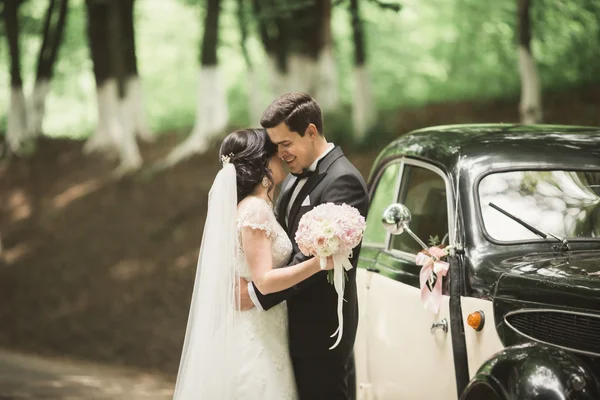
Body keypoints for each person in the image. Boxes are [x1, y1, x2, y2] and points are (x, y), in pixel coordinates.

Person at [173, 128, 334, 399]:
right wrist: (319, 263)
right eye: (275, 153)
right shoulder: (255, 210)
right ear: (263, 164)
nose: (282, 157)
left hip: (262, 324)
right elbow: (264, 280)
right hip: (256, 332)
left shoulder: (248, 207)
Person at [238, 92, 369, 400]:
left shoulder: (342, 181)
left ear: (311, 132)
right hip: (291, 328)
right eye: (276, 146)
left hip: (320, 332)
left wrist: (256, 294)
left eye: (286, 144)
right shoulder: (295, 176)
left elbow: (313, 261)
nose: (281, 154)